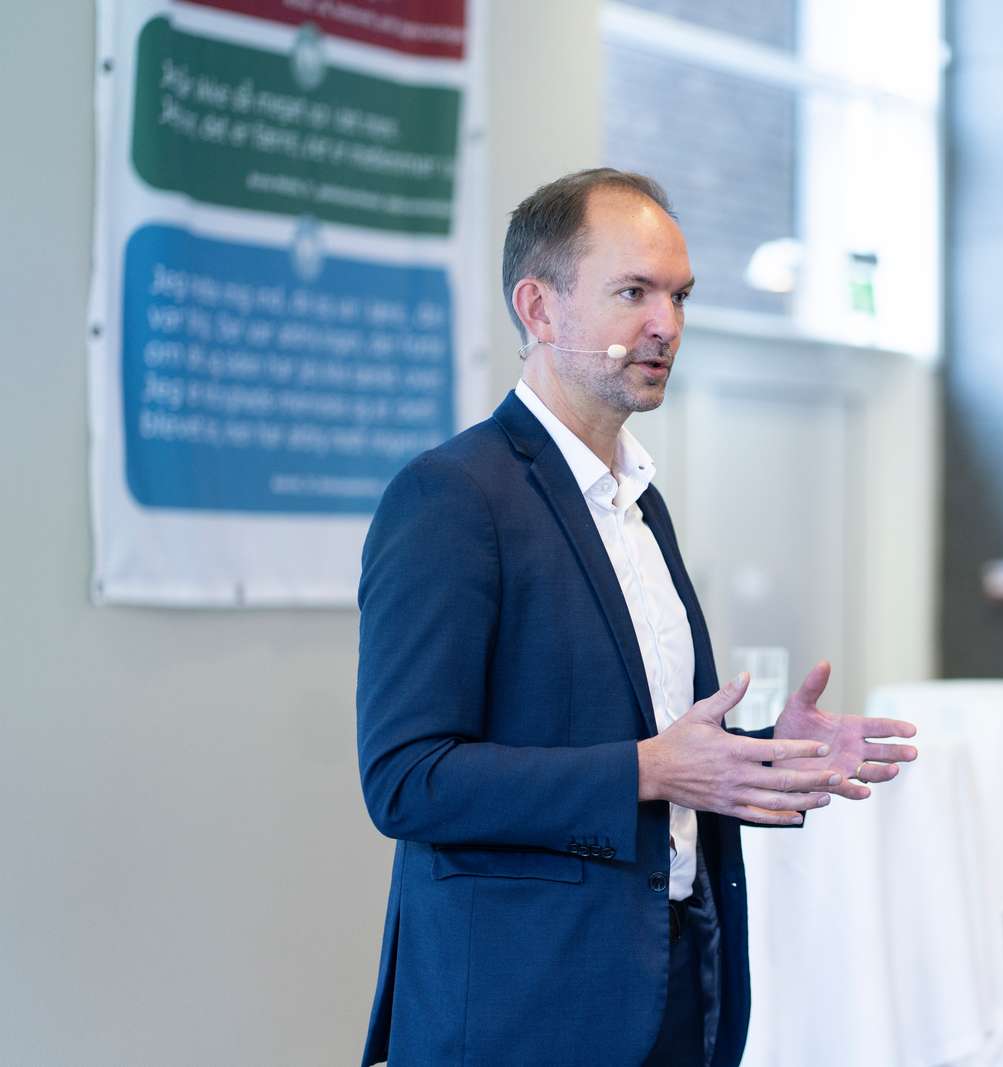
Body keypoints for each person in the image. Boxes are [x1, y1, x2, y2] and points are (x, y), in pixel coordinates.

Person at [355, 168, 919, 1066]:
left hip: (675, 979)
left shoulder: (639, 501)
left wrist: (768, 755)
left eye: (680, 296)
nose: (667, 324)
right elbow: (407, 778)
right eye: (634, 293)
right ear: (539, 309)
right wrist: (651, 769)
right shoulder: (451, 497)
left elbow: (644, 741)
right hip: (522, 1009)